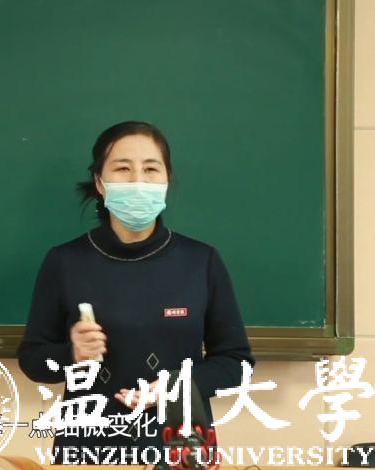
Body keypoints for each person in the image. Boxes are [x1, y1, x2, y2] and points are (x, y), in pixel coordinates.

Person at [17, 120, 254, 462]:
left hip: (180, 445)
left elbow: (236, 363)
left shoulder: (201, 261)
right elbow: (33, 360)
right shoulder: (65, 261)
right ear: (100, 182)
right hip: (90, 445)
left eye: (151, 169)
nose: (138, 181)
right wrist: (73, 355)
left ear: (167, 180)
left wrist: (176, 386)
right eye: (123, 169)